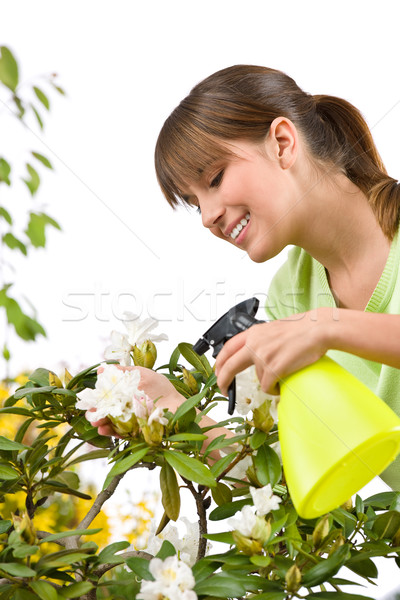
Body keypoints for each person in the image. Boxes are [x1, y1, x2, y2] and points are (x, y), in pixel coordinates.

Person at [95, 64, 400, 489]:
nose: (207, 217)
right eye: (194, 202)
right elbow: (278, 475)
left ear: (282, 143)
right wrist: (168, 404)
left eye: (215, 178)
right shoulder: (292, 297)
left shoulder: (308, 322)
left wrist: (328, 328)